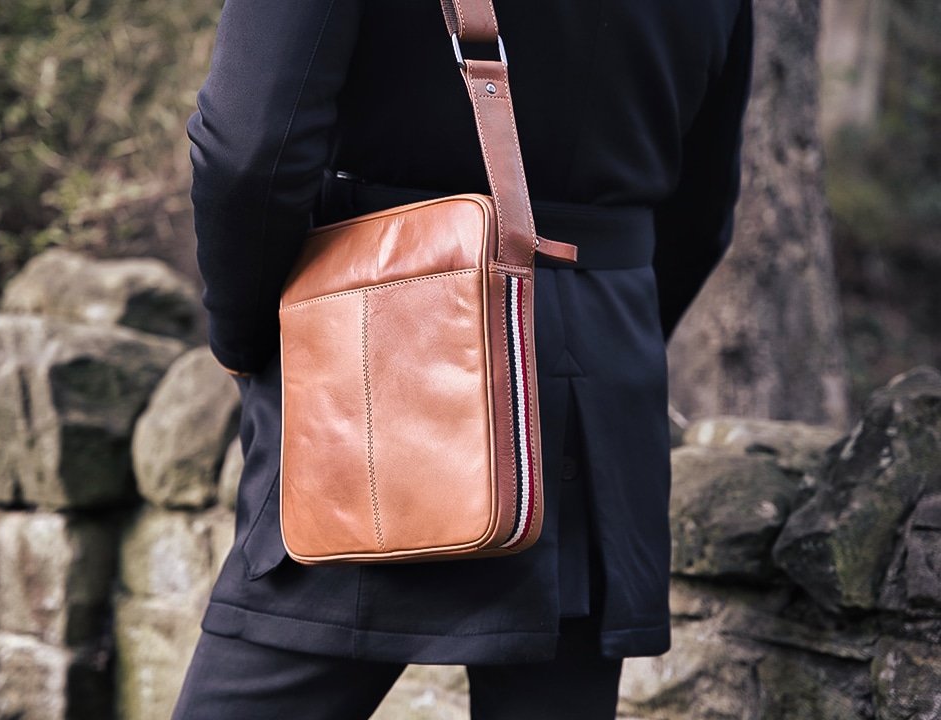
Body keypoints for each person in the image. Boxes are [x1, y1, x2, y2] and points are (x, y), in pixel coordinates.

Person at [173, 0, 754, 717]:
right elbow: (703, 211)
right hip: (600, 400)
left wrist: (246, 338)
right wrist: (592, 346)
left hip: (377, 355)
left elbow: (248, 151)